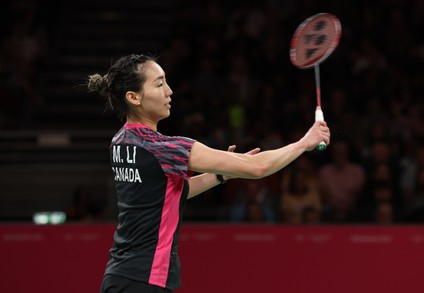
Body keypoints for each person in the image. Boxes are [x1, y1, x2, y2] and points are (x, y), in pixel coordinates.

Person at [86, 53, 330, 293]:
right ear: (133, 97)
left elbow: (166, 195)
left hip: (121, 275)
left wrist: (220, 175)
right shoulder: (162, 148)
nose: (169, 91)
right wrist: (304, 143)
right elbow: (259, 168)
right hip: (144, 277)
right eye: (159, 84)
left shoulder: (121, 141)